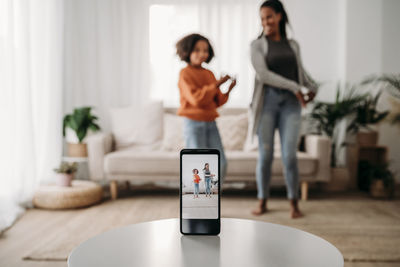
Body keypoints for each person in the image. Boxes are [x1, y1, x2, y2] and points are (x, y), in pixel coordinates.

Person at [249, 0, 318, 218]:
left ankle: (294, 203)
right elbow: (263, 75)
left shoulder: (293, 45)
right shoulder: (256, 45)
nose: (265, 22)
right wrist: (295, 87)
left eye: (269, 16)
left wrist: (312, 87)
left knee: (290, 155)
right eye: (262, 18)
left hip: (291, 105)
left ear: (279, 16)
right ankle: (262, 200)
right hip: (267, 102)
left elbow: (299, 72)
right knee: (266, 155)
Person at [176, 33, 236, 182]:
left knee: (221, 163)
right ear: (187, 51)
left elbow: (216, 101)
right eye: (197, 50)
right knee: (198, 165)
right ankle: (199, 202)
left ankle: (212, 200)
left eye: (205, 50)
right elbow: (196, 100)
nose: (202, 54)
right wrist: (216, 84)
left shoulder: (209, 73)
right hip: (193, 123)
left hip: (211, 123)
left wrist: (228, 89)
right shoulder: (185, 73)